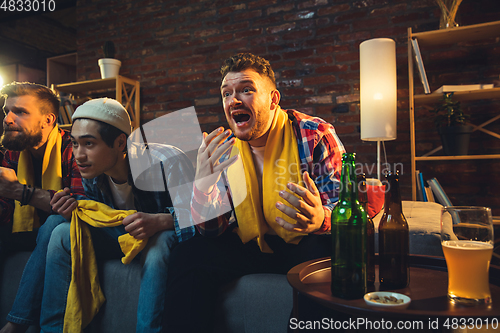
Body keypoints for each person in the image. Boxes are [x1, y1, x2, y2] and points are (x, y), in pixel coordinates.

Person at [162, 53, 345, 332]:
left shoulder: (314, 134)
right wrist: (203, 186)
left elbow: (345, 207)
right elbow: (214, 231)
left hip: (305, 244)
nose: (234, 100)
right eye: (227, 93)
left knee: (331, 260)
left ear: (273, 100)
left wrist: (322, 218)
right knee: (189, 255)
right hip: (250, 243)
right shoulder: (223, 149)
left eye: (246, 90)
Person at [39, 98, 196, 333]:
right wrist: (76, 209)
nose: (78, 155)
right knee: (61, 231)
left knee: (158, 244)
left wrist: (160, 221)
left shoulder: (167, 161)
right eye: (74, 143)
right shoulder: (92, 171)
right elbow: (102, 217)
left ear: (120, 142)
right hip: (124, 235)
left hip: (162, 237)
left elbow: (200, 219)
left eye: (89, 143)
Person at [0, 82, 84, 333]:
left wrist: (20, 192)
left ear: (48, 120)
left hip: (57, 234)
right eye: (6, 111)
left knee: (54, 224)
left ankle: (15, 325)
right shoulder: (11, 152)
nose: (8, 119)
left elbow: (79, 207)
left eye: (20, 112)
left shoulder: (74, 148)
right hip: (21, 233)